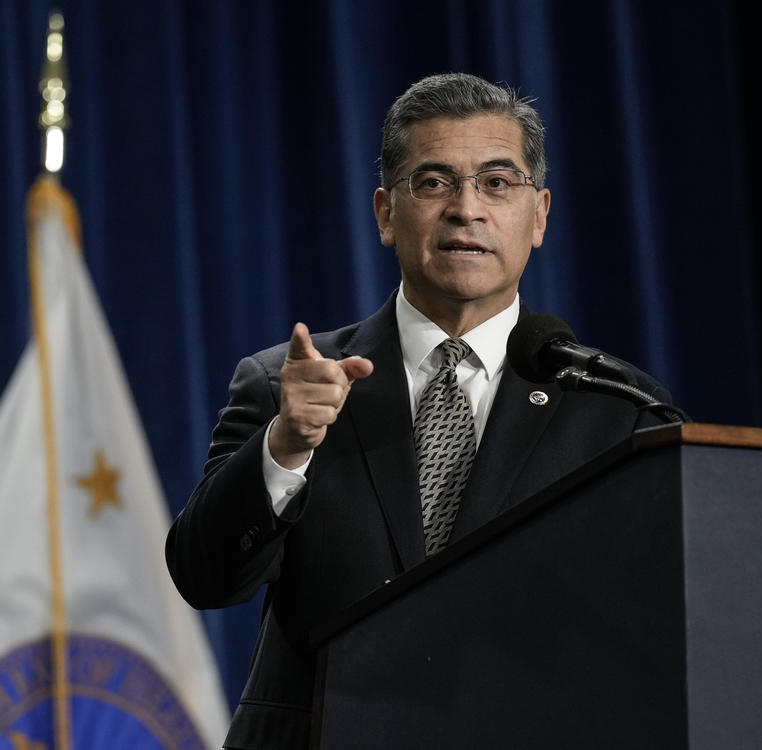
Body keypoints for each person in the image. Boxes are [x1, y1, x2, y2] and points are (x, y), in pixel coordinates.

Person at [165, 72, 671, 749]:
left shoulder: (616, 410)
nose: (467, 209)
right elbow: (204, 578)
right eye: (433, 183)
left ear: (540, 214)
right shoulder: (284, 386)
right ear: (384, 213)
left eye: (497, 183)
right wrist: (286, 447)